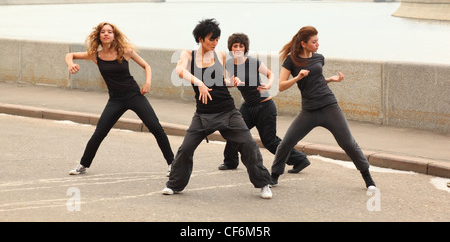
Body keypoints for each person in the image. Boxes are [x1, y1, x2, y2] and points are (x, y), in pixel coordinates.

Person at [162, 19, 273, 199]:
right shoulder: (188, 55)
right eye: (211, 39)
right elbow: (180, 70)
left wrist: (232, 82)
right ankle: (174, 185)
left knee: (249, 145)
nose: (214, 43)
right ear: (200, 38)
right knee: (186, 149)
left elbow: (223, 81)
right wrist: (200, 83)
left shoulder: (219, 55)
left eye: (217, 39)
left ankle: (263, 183)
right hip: (203, 114)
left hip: (228, 111)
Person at [271, 26, 376, 189]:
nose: (318, 44)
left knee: (348, 143)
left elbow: (315, 81)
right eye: (314, 41)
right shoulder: (291, 60)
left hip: (329, 107)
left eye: (318, 40)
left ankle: (368, 179)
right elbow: (281, 86)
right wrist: (297, 77)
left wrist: (330, 80)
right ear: (304, 44)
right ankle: (274, 176)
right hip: (309, 111)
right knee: (286, 143)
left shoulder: (319, 58)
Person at [66, 21, 174, 176]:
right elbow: (70, 55)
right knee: (100, 132)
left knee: (156, 128)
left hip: (134, 96)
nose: (106, 34)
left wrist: (147, 83)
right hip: (115, 100)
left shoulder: (125, 52)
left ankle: (172, 163)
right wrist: (70, 64)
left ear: (114, 35)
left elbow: (146, 66)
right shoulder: (96, 55)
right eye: (103, 32)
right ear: (99, 36)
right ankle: (83, 164)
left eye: (109, 31)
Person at [218, 33, 310, 174]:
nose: (237, 49)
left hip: (264, 106)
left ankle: (299, 159)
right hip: (248, 106)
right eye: (234, 46)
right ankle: (230, 161)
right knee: (234, 131)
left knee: (269, 141)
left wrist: (268, 85)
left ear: (245, 48)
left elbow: (271, 74)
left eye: (240, 46)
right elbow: (229, 83)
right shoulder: (230, 64)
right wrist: (231, 83)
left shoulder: (253, 62)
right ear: (230, 48)